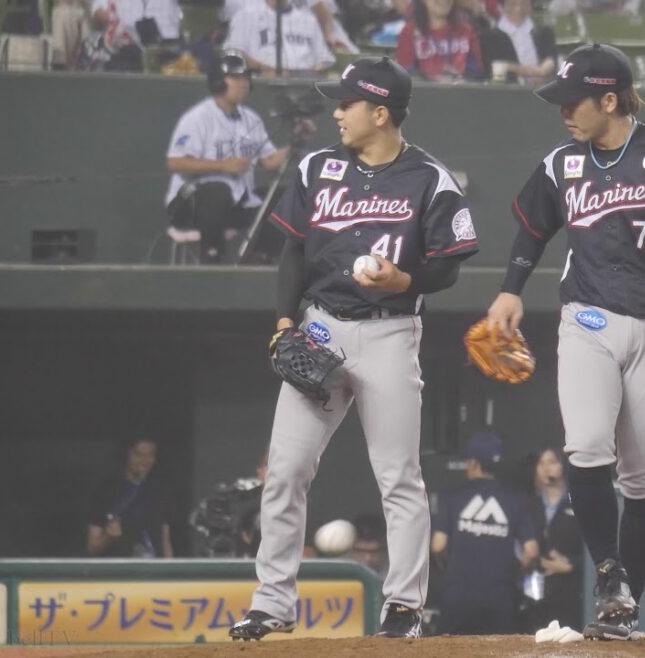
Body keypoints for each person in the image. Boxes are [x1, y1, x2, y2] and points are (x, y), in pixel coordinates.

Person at [485, 43, 645, 640]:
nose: (563, 112)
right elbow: (532, 229)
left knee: (644, 478)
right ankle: (607, 572)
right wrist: (510, 290)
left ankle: (622, 609)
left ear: (609, 100)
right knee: (587, 445)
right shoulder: (561, 164)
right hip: (588, 319)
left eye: (573, 101)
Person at [228, 56, 480, 641]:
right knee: (285, 470)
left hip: (390, 332)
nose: (337, 113)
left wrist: (406, 279)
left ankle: (404, 607)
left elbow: (448, 266)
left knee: (399, 476)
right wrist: (284, 323)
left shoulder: (429, 178)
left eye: (347, 103)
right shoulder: (317, 167)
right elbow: (293, 251)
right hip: (320, 327)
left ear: (381, 112)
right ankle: (272, 603)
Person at [165, 52, 293, 265]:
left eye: (246, 78)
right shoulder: (198, 117)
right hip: (190, 205)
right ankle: (211, 258)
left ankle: (260, 258)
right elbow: (175, 162)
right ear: (218, 81)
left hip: (237, 202)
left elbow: (269, 161)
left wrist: (294, 142)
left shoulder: (251, 118)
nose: (244, 83)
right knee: (218, 190)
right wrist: (222, 166)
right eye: (236, 77)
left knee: (282, 197)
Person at [431, 432, 539, 634]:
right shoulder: (517, 498)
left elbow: (438, 546)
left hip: (458, 595)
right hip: (500, 595)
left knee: (452, 647)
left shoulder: (452, 497)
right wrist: (515, 574)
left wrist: (450, 570)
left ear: (474, 463)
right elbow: (532, 551)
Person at [524, 447, 583, 631]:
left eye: (551, 462)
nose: (545, 468)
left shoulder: (578, 502)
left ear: (563, 466)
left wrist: (571, 565)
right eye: (541, 463)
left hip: (570, 592)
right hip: (535, 594)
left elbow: (592, 548)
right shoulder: (529, 505)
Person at [86, 438, 174, 558]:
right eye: (138, 455)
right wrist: (108, 537)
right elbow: (93, 548)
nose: (144, 461)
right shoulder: (105, 490)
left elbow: (165, 541)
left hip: (153, 566)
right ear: (126, 454)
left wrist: (169, 567)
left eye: (150, 455)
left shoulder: (161, 491)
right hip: (119, 566)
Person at [225, 0, 336, 76]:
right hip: (262, 81)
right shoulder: (246, 15)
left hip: (303, 83)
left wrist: (311, 72)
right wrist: (263, 69)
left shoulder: (308, 20)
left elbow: (324, 59)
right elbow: (235, 53)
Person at [396, 0, 486, 81]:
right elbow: (406, 74)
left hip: (463, 91)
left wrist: (462, 79)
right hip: (425, 92)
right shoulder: (409, 33)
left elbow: (477, 71)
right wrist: (433, 81)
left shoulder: (466, 31)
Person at [495, 0, 558, 85]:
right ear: (503, 6)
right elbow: (495, 70)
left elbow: (551, 56)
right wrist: (524, 71)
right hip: (508, 88)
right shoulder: (491, 36)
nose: (518, 9)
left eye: (524, 4)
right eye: (512, 4)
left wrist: (542, 71)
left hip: (542, 86)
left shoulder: (543, 30)